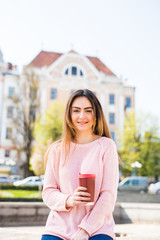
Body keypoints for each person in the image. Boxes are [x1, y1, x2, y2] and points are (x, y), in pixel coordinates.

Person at [41, 89, 119, 240]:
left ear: (96, 115)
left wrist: (85, 231)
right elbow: (48, 192)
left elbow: (108, 196)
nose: (82, 116)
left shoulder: (106, 146)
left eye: (88, 111)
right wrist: (68, 200)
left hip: (97, 227)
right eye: (76, 110)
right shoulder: (57, 149)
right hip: (58, 228)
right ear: (69, 115)